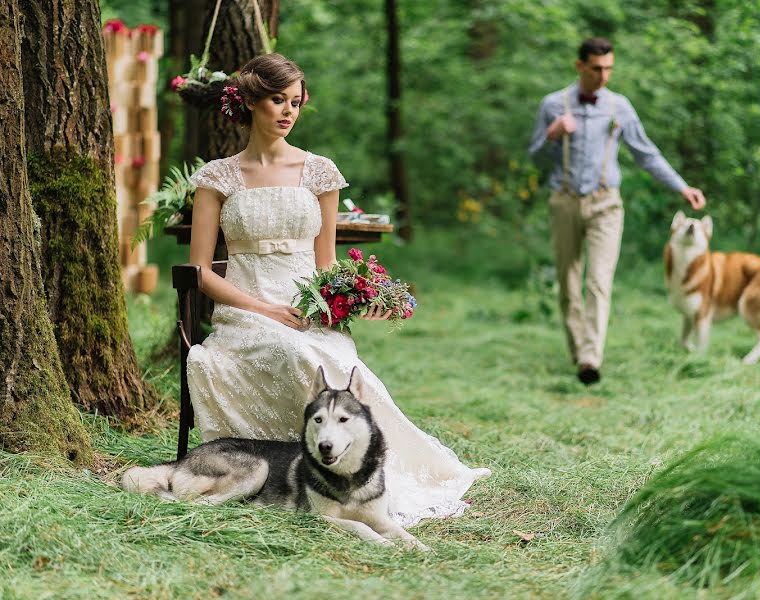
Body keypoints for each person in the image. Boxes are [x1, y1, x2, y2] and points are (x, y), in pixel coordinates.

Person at [186, 53, 489, 527]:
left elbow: (325, 263)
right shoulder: (218, 177)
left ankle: (365, 476)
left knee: (340, 364)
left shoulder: (319, 172)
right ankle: (292, 475)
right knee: (294, 354)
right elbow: (201, 270)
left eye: (295, 102)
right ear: (249, 102)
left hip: (308, 307)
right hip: (246, 311)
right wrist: (264, 308)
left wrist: (347, 301)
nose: (288, 111)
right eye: (276, 101)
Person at [529, 37, 706, 385]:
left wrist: (681, 186)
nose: (604, 76)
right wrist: (551, 135)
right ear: (580, 66)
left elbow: (647, 153)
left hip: (606, 203)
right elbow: (535, 157)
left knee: (598, 281)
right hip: (564, 201)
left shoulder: (619, 107)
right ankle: (580, 349)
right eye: (597, 69)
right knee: (568, 282)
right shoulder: (552, 104)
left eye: (609, 68)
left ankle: (590, 359)